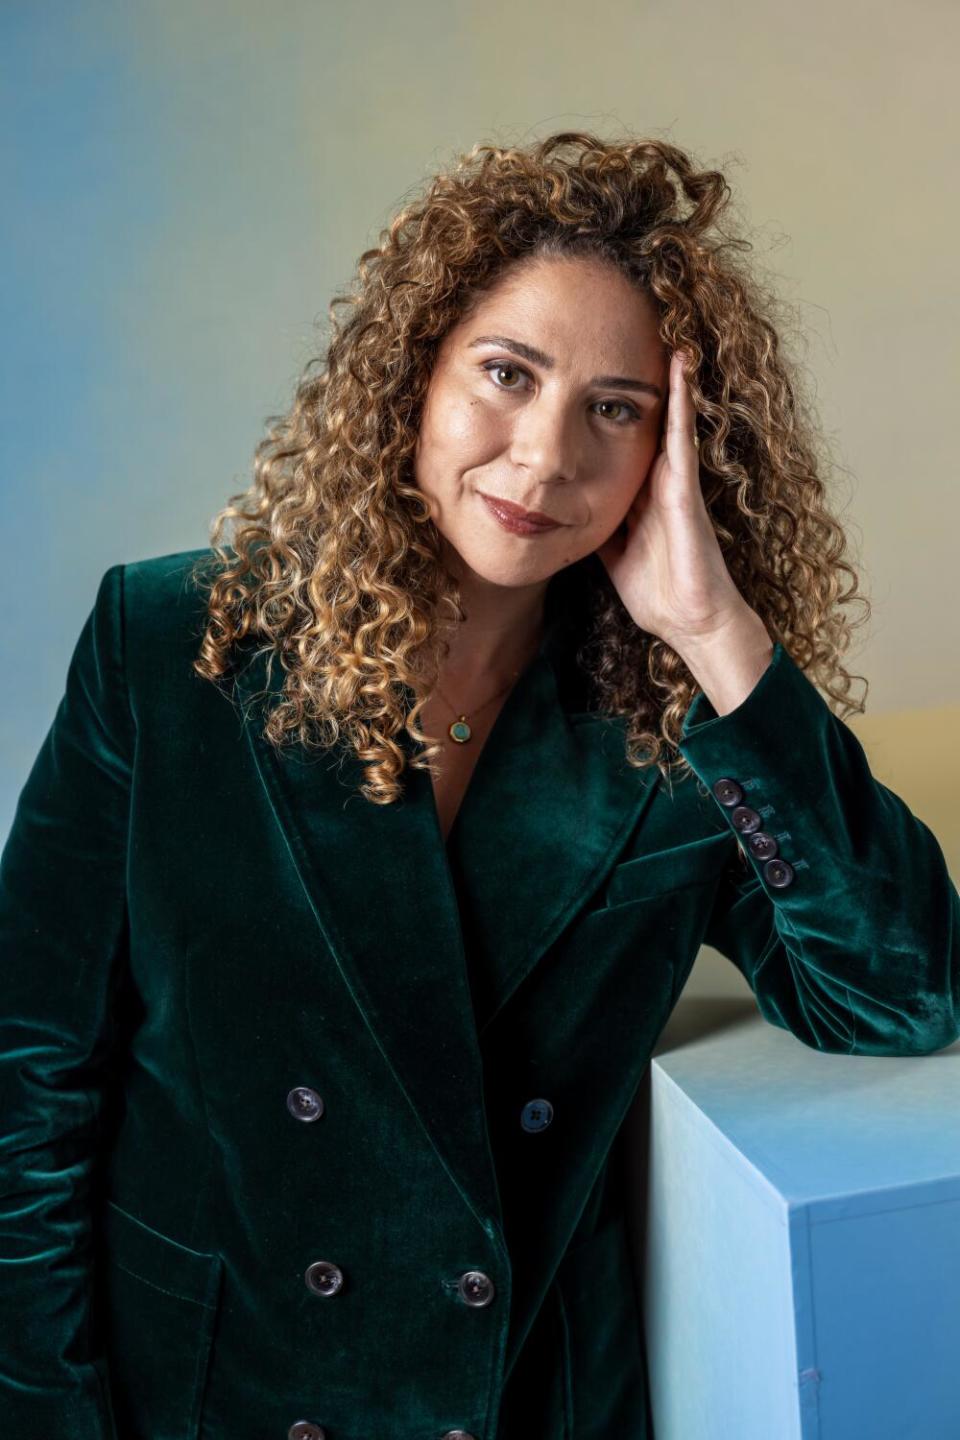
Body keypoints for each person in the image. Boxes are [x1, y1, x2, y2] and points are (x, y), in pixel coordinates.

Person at [1, 131, 957, 1440]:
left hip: (517, 1400)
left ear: (676, 455)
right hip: (213, 1390)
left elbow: (900, 995)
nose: (546, 454)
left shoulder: (670, 723)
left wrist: (718, 627)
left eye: (614, 410)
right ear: (413, 377)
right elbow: (28, 1084)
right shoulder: (171, 648)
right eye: (506, 375)